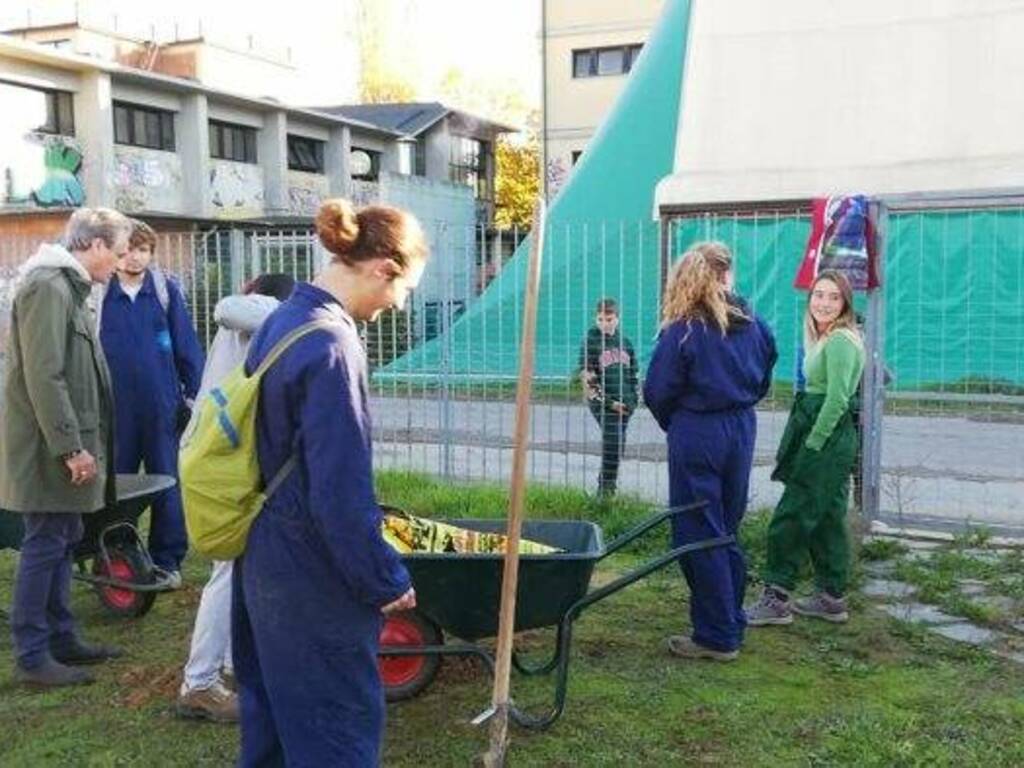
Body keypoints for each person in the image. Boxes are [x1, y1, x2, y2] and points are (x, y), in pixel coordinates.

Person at [233, 199, 424, 765]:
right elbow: (339, 492)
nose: (395, 306)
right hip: (310, 567)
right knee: (333, 733)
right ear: (382, 268)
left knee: (272, 727)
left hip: (264, 554)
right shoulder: (333, 345)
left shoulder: (283, 320)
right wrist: (384, 577)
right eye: (403, 291)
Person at [1, 207, 130, 687]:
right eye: (115, 254)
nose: (117, 264)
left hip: (63, 445)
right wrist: (71, 448)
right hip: (48, 449)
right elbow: (44, 375)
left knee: (61, 539)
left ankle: (61, 637)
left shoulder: (68, 290)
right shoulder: (48, 288)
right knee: (44, 544)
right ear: (94, 245)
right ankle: (33, 656)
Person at [643, 242, 777, 662]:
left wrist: (679, 422)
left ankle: (717, 634)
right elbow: (766, 369)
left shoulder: (684, 328)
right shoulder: (753, 323)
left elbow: (658, 390)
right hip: (740, 426)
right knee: (725, 525)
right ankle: (729, 617)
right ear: (727, 276)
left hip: (698, 429)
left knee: (699, 529)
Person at [176, 273, 295, 723]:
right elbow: (227, 306)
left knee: (243, 566)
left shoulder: (254, 330)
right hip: (217, 463)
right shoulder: (246, 317)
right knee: (227, 569)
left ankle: (231, 665)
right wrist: (294, 311)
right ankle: (199, 684)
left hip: (225, 458)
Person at [746, 270, 866, 626]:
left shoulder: (842, 340)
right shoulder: (825, 336)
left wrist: (814, 441)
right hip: (819, 430)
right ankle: (832, 597)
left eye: (833, 297)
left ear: (845, 303)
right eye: (819, 295)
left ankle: (777, 596)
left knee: (792, 514)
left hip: (824, 434)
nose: (824, 303)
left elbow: (838, 399)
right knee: (827, 515)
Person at [99, 219, 204, 587]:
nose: (134, 258)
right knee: (116, 485)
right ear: (116, 252)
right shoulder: (98, 295)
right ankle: (116, 555)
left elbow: (186, 345)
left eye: (143, 250)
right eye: (127, 250)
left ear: (151, 254)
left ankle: (167, 560)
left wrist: (193, 395)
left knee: (166, 483)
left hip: (162, 408)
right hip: (114, 411)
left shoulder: (164, 291)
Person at [578, 298, 639, 496]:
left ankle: (609, 489)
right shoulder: (591, 341)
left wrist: (633, 401)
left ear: (617, 319)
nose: (604, 323)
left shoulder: (626, 343)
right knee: (612, 442)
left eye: (609, 319)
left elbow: (634, 374)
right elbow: (589, 380)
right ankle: (604, 492)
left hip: (625, 404)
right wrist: (611, 403)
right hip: (603, 403)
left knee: (618, 445)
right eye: (600, 319)